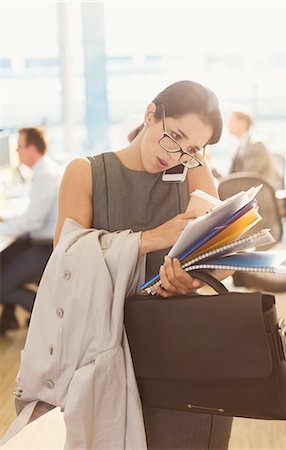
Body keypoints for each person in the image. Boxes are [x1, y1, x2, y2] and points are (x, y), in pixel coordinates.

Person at [54, 80, 233, 449]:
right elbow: (64, 265)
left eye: (192, 148)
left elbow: (222, 258)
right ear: (151, 114)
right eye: (174, 137)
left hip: (184, 356)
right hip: (107, 354)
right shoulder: (85, 173)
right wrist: (151, 238)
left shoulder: (193, 172)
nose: (177, 155)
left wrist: (192, 280)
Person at [0, 127, 62, 335]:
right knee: (4, 259)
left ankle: (51, 320)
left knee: (1, 285)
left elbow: (34, 221)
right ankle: (8, 320)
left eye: (20, 147)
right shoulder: (44, 170)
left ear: (32, 148)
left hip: (45, 247)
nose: (17, 152)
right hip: (42, 241)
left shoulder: (44, 174)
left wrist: (4, 226)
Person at [212, 108, 279, 189]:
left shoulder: (257, 145)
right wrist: (211, 167)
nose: (228, 124)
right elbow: (230, 179)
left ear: (242, 123)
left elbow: (245, 180)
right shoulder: (240, 147)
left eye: (231, 121)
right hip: (246, 193)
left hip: (260, 196)